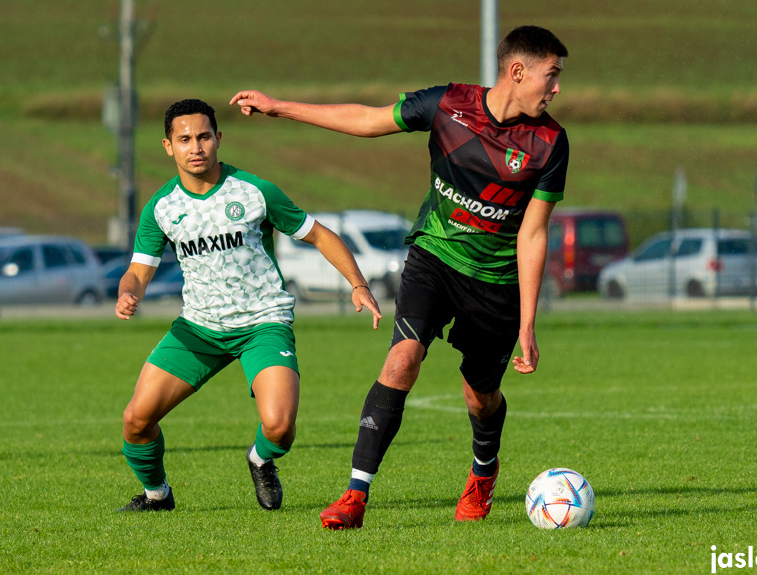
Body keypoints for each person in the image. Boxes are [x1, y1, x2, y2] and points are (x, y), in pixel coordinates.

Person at [230, 24, 569, 529]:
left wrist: (527, 322)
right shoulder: (448, 104)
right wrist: (281, 107)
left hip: (495, 281)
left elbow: (533, 235)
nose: (558, 87)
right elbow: (367, 119)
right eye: (552, 74)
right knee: (400, 362)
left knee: (480, 394)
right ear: (518, 71)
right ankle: (355, 495)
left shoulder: (550, 143)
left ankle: (482, 472)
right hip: (432, 259)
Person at [115, 98, 381, 512]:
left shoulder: (255, 192)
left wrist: (358, 283)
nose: (195, 147)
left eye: (204, 136)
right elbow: (138, 270)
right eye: (184, 139)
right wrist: (128, 292)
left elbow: (320, 235)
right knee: (136, 420)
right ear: (168, 146)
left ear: (218, 139)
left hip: (263, 323)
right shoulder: (161, 209)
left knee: (280, 427)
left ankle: (260, 459)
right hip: (198, 329)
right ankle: (157, 495)